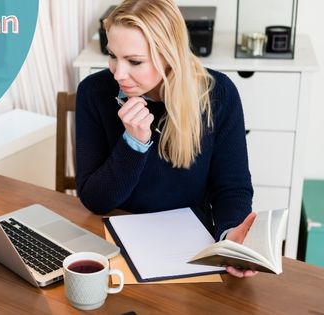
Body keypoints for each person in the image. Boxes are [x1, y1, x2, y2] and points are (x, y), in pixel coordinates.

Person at [75, 0, 257, 277]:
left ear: (170, 56)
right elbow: (95, 200)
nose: (118, 73)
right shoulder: (93, 92)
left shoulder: (218, 95)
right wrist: (132, 145)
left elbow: (232, 189)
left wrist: (230, 237)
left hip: (189, 247)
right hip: (117, 241)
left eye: (134, 61)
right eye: (112, 56)